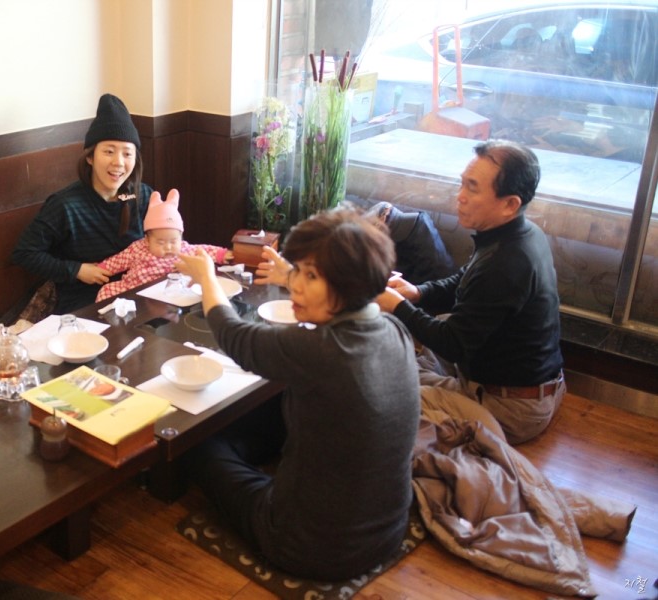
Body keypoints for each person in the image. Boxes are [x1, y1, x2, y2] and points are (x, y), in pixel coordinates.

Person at [175, 205, 419, 582]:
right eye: (300, 271)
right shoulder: (393, 329)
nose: (298, 285)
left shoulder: (322, 349)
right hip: (386, 533)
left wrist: (207, 276)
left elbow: (235, 337)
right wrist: (290, 275)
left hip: (307, 547)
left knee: (196, 445)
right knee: (276, 408)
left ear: (348, 285)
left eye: (311, 276)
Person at [376, 140, 565, 445]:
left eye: (473, 189)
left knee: (381, 388)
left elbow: (453, 345)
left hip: (511, 408)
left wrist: (397, 305)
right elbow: (463, 281)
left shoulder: (505, 263)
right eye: (462, 184)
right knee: (412, 344)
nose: (460, 196)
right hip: (534, 387)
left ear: (510, 204)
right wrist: (416, 292)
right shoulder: (520, 234)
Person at [10, 93, 152, 315]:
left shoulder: (143, 195)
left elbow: (164, 241)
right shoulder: (65, 205)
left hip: (138, 291)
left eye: (127, 153)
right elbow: (25, 253)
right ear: (90, 157)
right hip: (84, 301)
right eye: (109, 151)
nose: (118, 162)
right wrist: (76, 270)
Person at [95, 188, 233, 302]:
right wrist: (101, 268)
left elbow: (203, 250)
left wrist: (222, 254)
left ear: (180, 237)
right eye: (160, 242)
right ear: (147, 240)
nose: (168, 247)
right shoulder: (138, 248)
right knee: (106, 290)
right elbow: (119, 259)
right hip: (133, 291)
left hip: (169, 294)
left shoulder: (184, 250)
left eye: (173, 241)